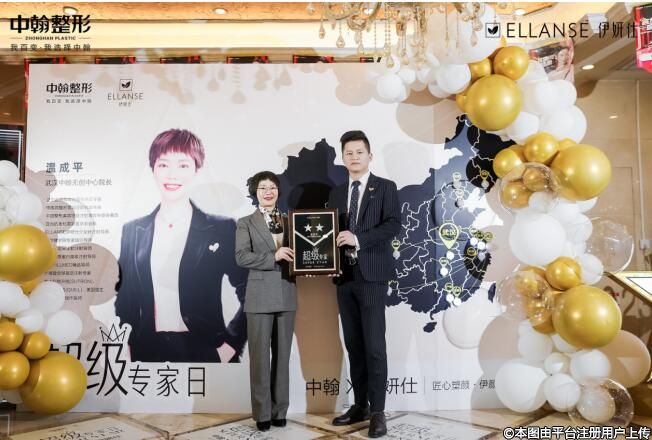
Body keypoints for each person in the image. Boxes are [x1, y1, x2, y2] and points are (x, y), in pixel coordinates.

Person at [115, 128, 247, 363]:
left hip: (206, 349)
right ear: (153, 169)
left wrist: (229, 347)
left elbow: (252, 289)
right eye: (164, 164)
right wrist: (126, 345)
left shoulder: (222, 228)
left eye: (183, 165)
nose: (172, 174)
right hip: (147, 351)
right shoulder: (133, 231)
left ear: (197, 169)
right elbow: (125, 296)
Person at [328, 130, 400, 438]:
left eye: (359, 152)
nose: (354, 157)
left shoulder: (385, 187)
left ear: (370, 155)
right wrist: (323, 260)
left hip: (372, 276)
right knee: (354, 345)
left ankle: (378, 412)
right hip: (344, 277)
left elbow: (393, 225)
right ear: (342, 157)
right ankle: (359, 405)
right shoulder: (335, 193)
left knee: (374, 347)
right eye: (349, 153)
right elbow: (327, 232)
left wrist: (358, 239)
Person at [235, 171, 297, 432]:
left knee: (282, 358)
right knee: (260, 359)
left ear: (278, 191)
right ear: (255, 193)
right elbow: (241, 256)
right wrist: (274, 256)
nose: (268, 192)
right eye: (263, 188)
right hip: (259, 297)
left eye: (272, 187)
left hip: (286, 293)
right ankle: (262, 413)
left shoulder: (291, 221)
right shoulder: (246, 223)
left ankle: (280, 411)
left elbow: (305, 252)